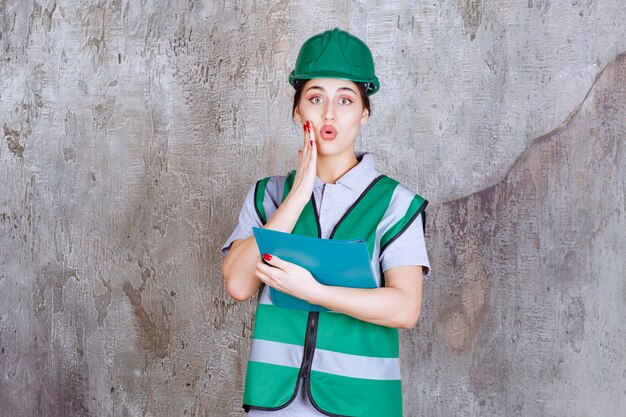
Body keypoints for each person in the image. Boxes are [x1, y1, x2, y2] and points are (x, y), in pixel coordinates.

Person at [221, 28, 430, 417]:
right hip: (274, 402)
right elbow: (238, 284)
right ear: (298, 110)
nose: (329, 113)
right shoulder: (267, 195)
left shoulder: (396, 205)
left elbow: (404, 308)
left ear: (364, 113)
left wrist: (315, 291)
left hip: (361, 403)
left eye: (346, 100)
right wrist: (297, 195)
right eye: (315, 98)